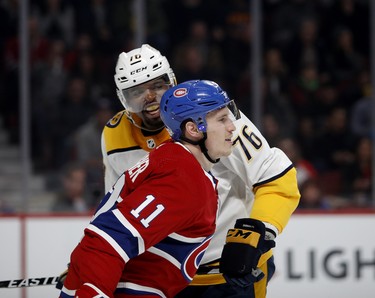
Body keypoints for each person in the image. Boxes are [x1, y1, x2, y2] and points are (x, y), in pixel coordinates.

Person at [100, 44, 300, 298]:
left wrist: (256, 233)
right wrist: (101, 260)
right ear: (122, 98)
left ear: (172, 81)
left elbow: (276, 177)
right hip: (168, 277)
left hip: (230, 272)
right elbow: (118, 206)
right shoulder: (114, 134)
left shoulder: (212, 113)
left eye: (158, 86)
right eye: (137, 91)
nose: (149, 98)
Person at [58, 79, 239, 298]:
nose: (232, 126)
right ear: (193, 129)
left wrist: (86, 268)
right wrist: (93, 285)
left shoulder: (173, 157)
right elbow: (107, 239)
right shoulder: (183, 178)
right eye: (222, 119)